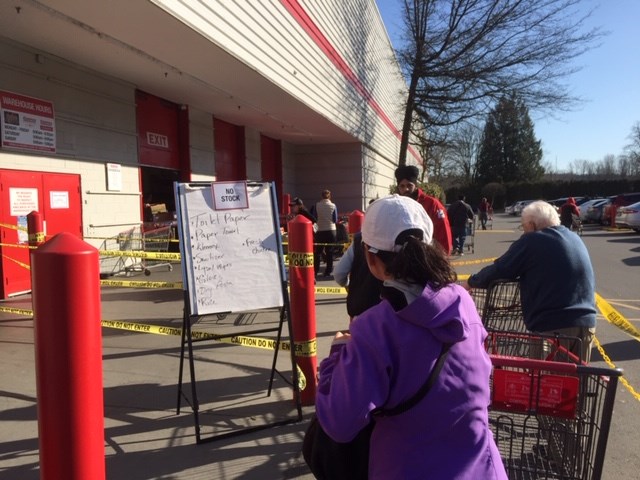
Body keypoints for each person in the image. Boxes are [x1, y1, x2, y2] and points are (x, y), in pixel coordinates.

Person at [315, 194, 507, 479]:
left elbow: (340, 423)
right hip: (482, 467)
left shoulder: (374, 327)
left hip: (407, 468)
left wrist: (336, 357)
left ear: (370, 257)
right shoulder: (462, 301)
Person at [465, 200, 596, 362]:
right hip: (586, 323)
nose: (523, 232)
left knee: (543, 382)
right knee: (576, 383)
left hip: (552, 325)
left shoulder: (533, 240)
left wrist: (470, 282)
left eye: (523, 227)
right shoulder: (573, 238)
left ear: (532, 225)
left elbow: (500, 269)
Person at [394, 165, 453, 255]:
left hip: (427, 257)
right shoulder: (396, 204)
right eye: (402, 186)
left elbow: (443, 232)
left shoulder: (432, 204)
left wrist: (443, 259)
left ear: (416, 185)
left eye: (409, 185)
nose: (406, 189)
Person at [333, 227, 383, 321]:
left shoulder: (360, 239)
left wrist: (347, 284)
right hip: (393, 313)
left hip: (360, 306)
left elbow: (339, 273)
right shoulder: (406, 239)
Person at [310, 189, 338, 277]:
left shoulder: (317, 205)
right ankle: (328, 271)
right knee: (329, 252)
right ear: (330, 196)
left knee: (318, 252)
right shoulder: (333, 206)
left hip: (320, 231)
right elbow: (335, 219)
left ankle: (315, 270)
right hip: (331, 231)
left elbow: (314, 217)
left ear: (321, 196)